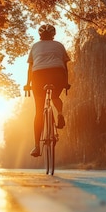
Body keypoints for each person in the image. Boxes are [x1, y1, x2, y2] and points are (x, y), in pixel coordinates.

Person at [24, 24, 70, 157]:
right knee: (55, 96)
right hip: (57, 74)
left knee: (39, 111)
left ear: (40, 36)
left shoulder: (35, 46)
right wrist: (65, 83)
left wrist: (28, 84)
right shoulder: (59, 45)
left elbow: (30, 68)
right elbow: (65, 66)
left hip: (39, 76)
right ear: (53, 35)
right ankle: (60, 113)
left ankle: (37, 146)